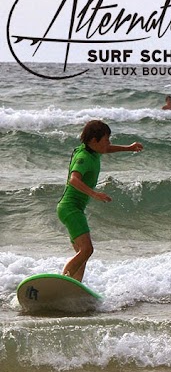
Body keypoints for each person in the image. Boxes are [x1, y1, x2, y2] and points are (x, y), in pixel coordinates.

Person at [57, 120, 144, 282]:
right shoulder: (83, 157)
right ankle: (61, 283)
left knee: (82, 256)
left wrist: (129, 148)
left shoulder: (92, 150)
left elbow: (107, 149)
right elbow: (74, 180)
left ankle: (73, 288)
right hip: (71, 208)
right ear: (93, 141)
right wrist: (94, 194)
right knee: (87, 250)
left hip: (73, 208)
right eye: (106, 139)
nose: (109, 143)